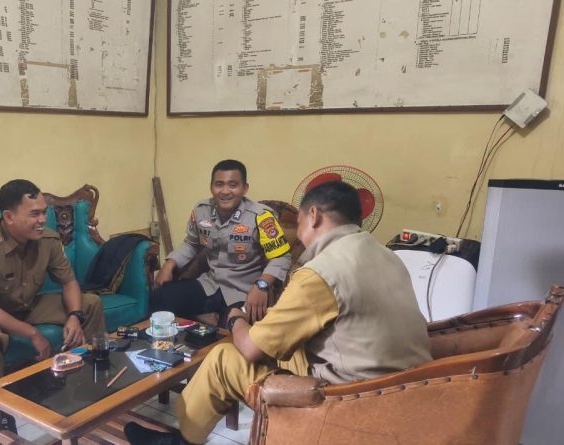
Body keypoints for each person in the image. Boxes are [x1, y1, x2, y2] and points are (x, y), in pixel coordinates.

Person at [125, 181, 432, 445]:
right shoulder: (389, 256)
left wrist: (236, 318)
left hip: (349, 398)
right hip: (405, 390)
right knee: (281, 345)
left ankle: (181, 440)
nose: (298, 236)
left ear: (313, 216)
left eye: (299, 223)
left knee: (223, 357)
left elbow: (251, 347)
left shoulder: (321, 272)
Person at [0, 179, 106, 432]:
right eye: (34, 214)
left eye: (44, 212)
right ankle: (0, 416)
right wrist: (32, 334)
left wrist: (75, 316)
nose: (43, 220)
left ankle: (90, 385)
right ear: (9, 217)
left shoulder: (48, 239)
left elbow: (69, 282)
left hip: (26, 306)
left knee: (90, 303)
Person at [151, 159, 292, 324]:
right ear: (211, 187)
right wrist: (169, 264)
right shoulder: (202, 210)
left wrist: (261, 285)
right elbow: (191, 244)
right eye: (219, 184)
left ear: (245, 188)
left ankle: (213, 325)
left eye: (233, 185)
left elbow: (281, 257)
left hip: (244, 292)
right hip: (210, 285)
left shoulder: (261, 217)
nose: (225, 191)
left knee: (233, 324)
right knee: (160, 298)